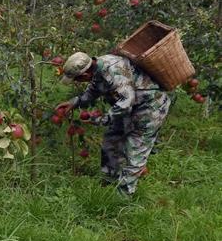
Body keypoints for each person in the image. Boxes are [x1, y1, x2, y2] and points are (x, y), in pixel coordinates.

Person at [55, 51, 171, 196]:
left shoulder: (113, 72)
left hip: (150, 107)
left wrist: (102, 120)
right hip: (132, 107)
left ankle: (122, 198)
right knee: (111, 141)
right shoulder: (97, 67)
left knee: (135, 150)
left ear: (84, 75)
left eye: (77, 80)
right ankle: (109, 180)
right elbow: (94, 89)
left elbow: (125, 101)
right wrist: (75, 102)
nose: (77, 82)